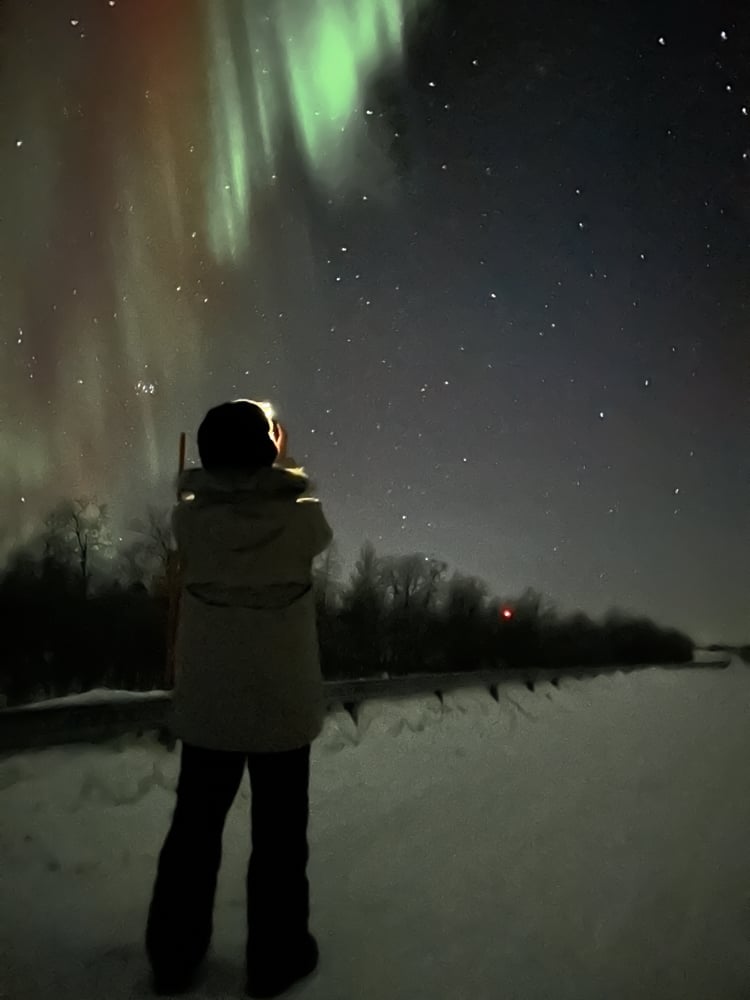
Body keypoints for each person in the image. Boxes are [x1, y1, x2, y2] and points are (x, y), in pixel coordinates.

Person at [145, 399, 333, 998]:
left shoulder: (189, 522)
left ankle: (173, 957)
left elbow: (210, 500)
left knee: (193, 832)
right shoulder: (301, 522)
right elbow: (305, 504)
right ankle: (277, 958)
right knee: (280, 839)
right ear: (266, 450)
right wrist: (286, 454)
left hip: (209, 708)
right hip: (282, 706)